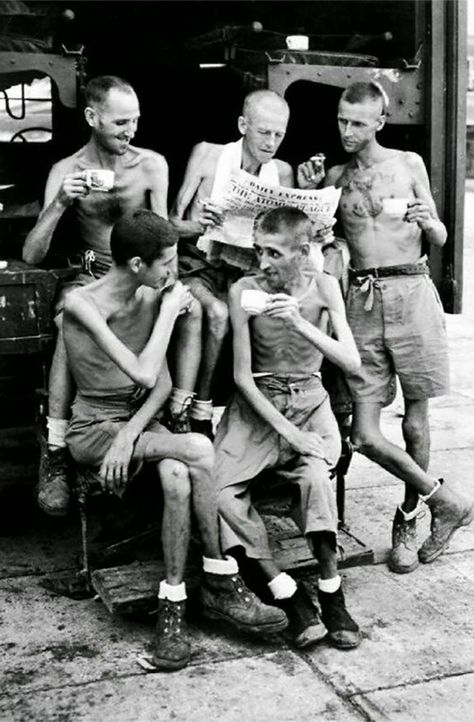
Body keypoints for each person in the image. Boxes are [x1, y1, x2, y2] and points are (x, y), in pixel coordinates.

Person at [62, 209, 287, 672]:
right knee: (200, 448)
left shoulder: (148, 296)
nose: (175, 271)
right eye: (167, 262)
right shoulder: (83, 304)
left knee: (178, 474)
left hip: (136, 424)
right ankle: (222, 578)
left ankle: (174, 604)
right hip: (92, 428)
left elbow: (160, 386)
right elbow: (141, 371)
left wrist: (130, 435)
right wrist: (169, 311)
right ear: (138, 264)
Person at [309, 81, 474, 573]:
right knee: (363, 432)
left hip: (411, 290)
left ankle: (409, 517)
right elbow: (322, 239)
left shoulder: (408, 164)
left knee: (416, 420)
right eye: (342, 120)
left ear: (380, 121)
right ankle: (446, 499)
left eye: (358, 122)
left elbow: (442, 235)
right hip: (361, 299)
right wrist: (313, 190)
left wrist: (430, 221)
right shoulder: (335, 177)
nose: (347, 130)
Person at [22, 75, 200, 516]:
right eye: (121, 122)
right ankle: (58, 445)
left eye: (135, 121)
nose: (130, 132)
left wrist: (172, 283)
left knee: (196, 311)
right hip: (89, 276)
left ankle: (181, 409)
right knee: (69, 319)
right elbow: (32, 254)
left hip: (142, 272)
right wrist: (60, 202)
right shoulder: (66, 171)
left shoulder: (152, 164)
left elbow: (162, 240)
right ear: (91, 118)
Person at [215, 206, 362, 650]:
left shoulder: (325, 287)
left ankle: (331, 591)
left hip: (309, 398)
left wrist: (298, 321)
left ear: (303, 252)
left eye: (275, 253)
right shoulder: (244, 289)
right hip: (257, 404)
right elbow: (242, 376)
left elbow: (351, 362)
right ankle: (284, 590)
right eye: (259, 250)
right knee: (218, 494)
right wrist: (289, 434)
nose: (263, 262)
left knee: (316, 476)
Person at [170, 89, 302, 438]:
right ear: (243, 125)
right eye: (264, 132)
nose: (272, 142)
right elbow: (170, 224)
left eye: (279, 134)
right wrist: (202, 224)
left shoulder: (282, 172)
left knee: (281, 314)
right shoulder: (208, 155)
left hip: (245, 273)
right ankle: (198, 409)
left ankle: (272, 411)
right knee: (218, 314)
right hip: (197, 267)